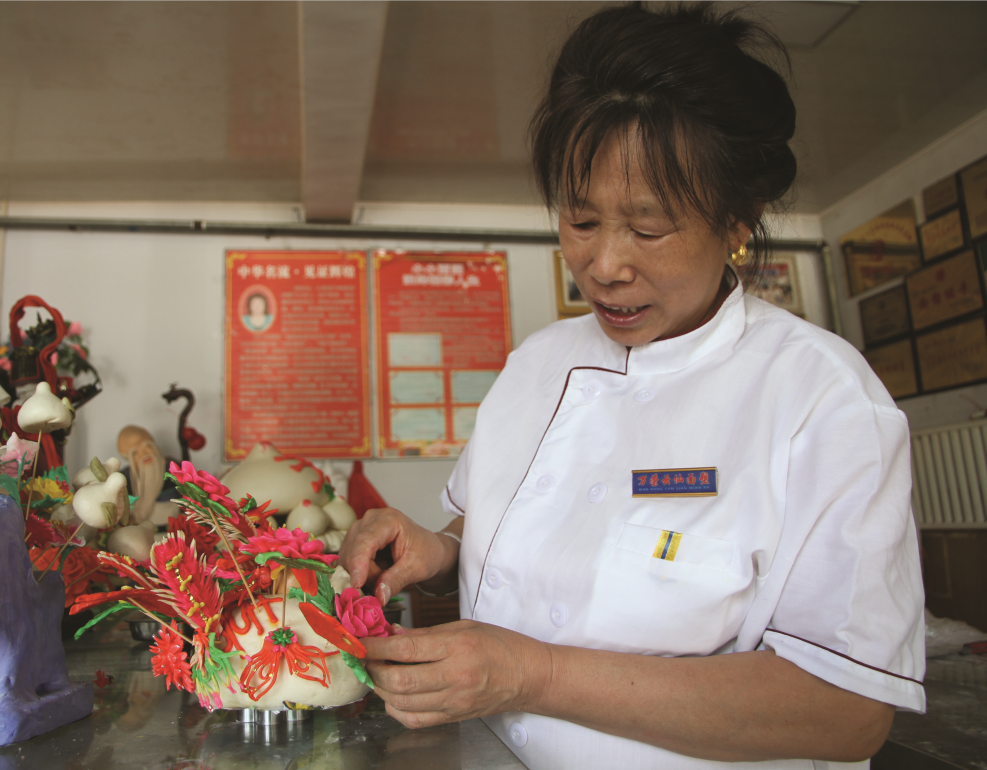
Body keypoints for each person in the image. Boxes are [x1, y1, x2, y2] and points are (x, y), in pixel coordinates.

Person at [339, 5, 924, 769]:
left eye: (647, 230)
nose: (604, 265)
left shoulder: (819, 396)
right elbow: (505, 532)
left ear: (736, 220)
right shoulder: (538, 364)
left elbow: (844, 712)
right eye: (580, 221)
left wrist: (530, 674)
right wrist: (435, 550)